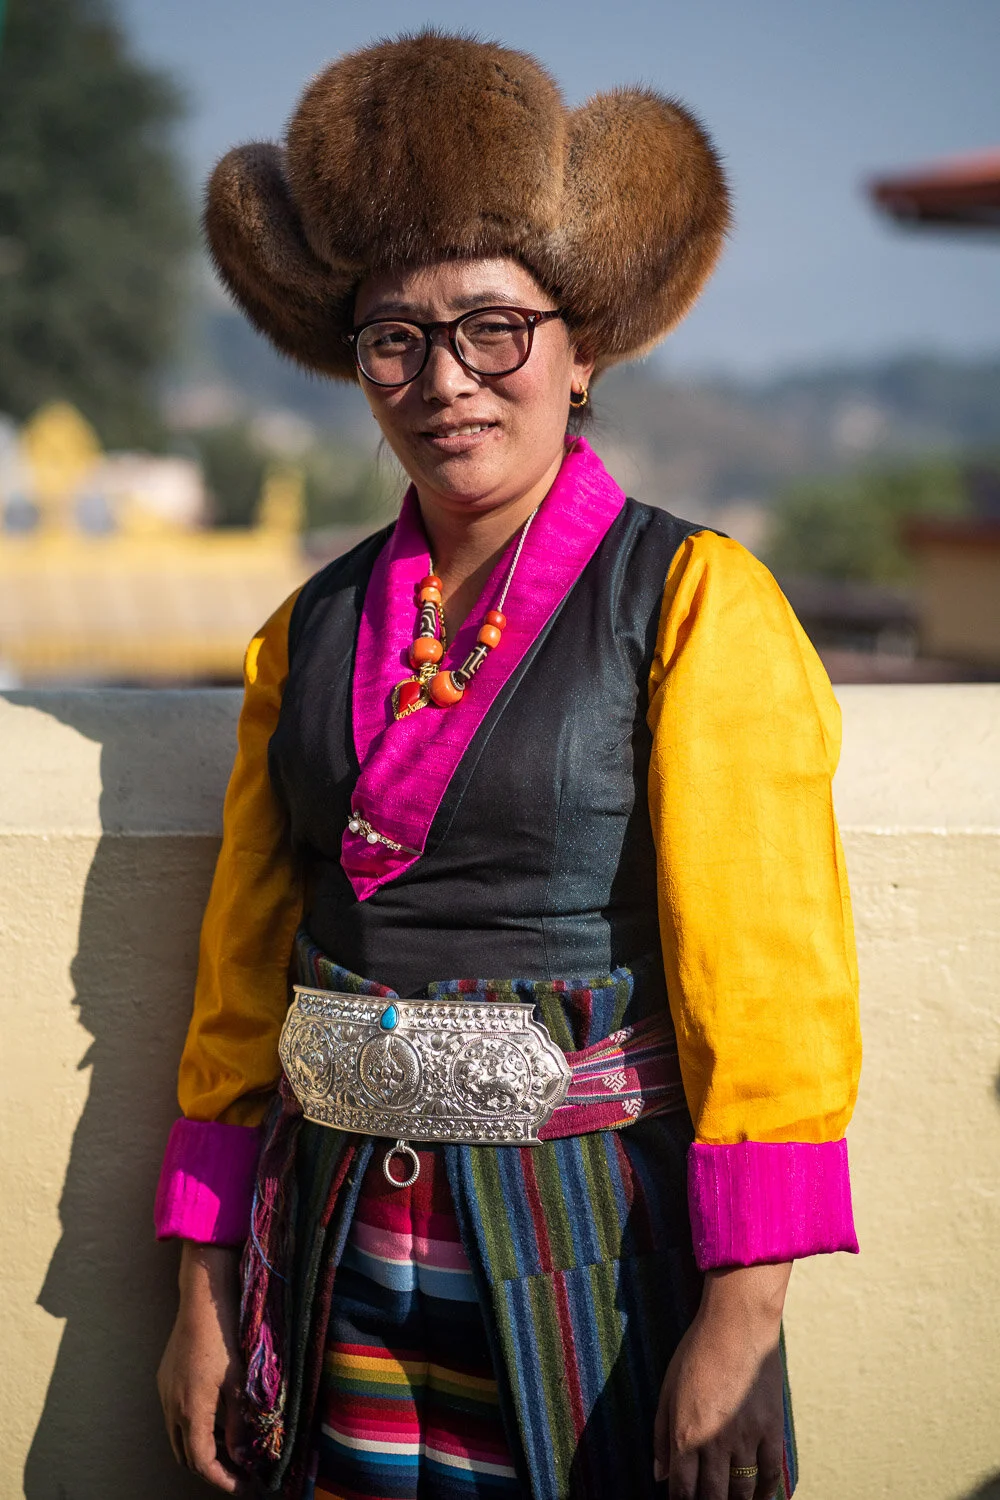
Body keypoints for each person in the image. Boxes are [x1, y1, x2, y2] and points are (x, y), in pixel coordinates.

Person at [155, 31, 861, 1500]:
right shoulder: (308, 632)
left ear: (579, 344)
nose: (446, 380)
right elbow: (240, 984)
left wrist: (744, 1315)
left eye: (493, 327)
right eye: (393, 336)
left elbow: (770, 982)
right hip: (332, 1236)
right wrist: (201, 1292)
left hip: (587, 1244)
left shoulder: (695, 601)